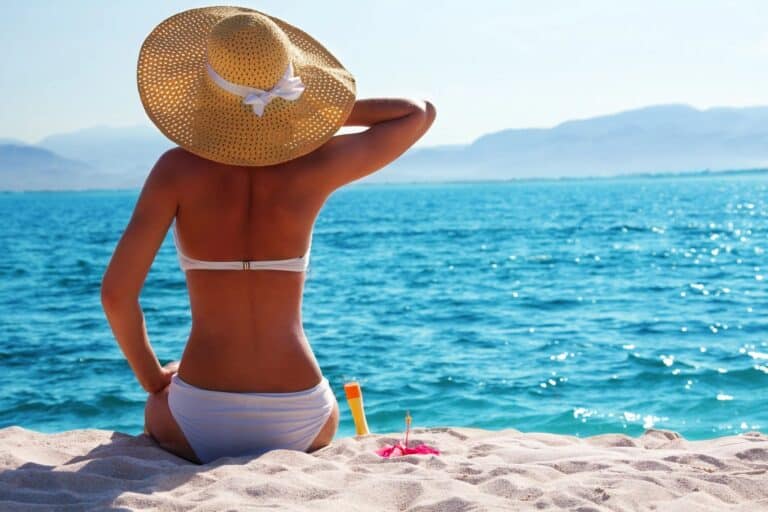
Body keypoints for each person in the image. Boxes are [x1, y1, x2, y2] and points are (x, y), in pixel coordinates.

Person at [100, 6, 435, 464]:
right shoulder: (313, 165)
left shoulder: (176, 170)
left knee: (157, 406)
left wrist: (155, 381)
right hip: (304, 413)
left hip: (200, 412)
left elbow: (117, 295)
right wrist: (305, 112)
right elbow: (417, 113)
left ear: (204, 87)